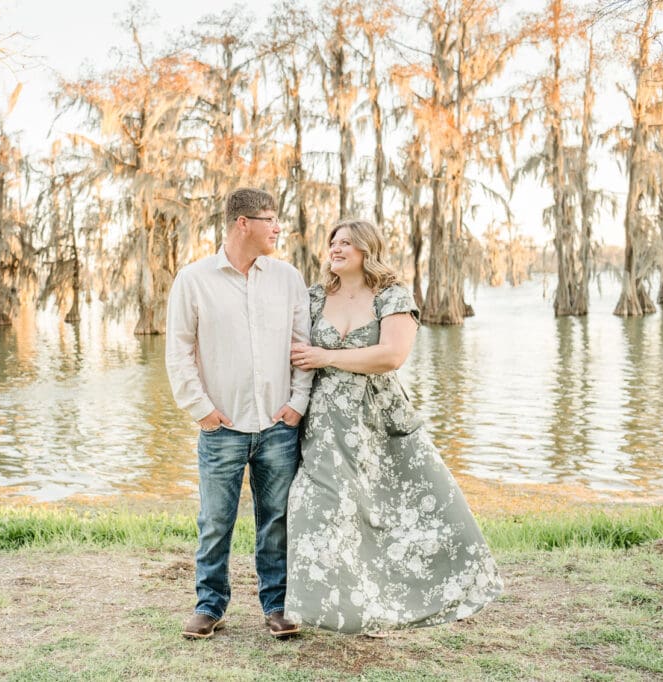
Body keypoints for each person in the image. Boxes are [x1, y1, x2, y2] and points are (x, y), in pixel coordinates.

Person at [285, 219, 503, 636]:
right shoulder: (313, 298)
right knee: (318, 505)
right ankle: (326, 607)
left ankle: (397, 599)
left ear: (368, 248)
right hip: (325, 422)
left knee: (384, 508)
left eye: (347, 242)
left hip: (378, 417)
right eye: (332, 242)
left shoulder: (392, 295)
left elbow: (391, 356)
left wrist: (325, 357)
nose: (336, 247)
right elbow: (295, 352)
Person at [165, 187, 314, 640]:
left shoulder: (287, 278)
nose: (277, 227)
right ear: (242, 224)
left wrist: (297, 404)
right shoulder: (194, 279)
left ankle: (277, 606)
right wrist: (203, 411)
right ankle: (209, 605)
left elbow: (301, 346)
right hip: (222, 427)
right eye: (269, 219)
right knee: (215, 522)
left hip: (277, 425)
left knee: (276, 522)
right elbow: (179, 353)